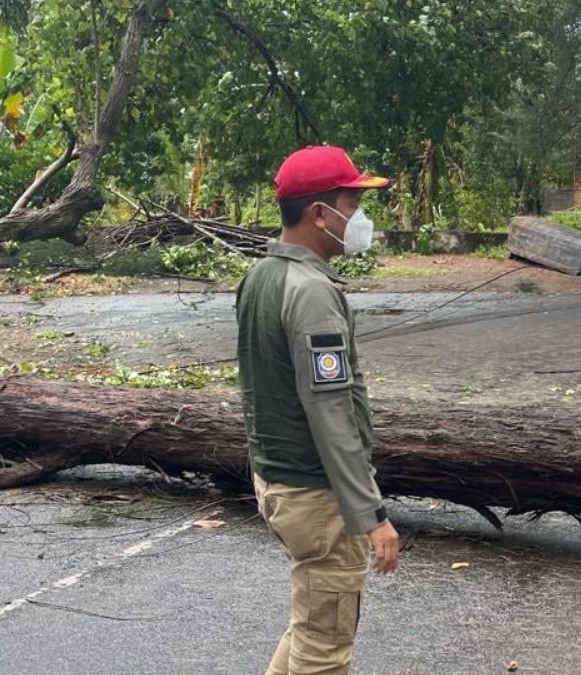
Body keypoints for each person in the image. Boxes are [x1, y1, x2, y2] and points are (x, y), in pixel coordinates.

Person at [236, 145, 399, 675]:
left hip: (279, 481)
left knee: (311, 626)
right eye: (352, 207)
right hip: (315, 494)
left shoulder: (262, 274)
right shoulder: (310, 292)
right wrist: (370, 514)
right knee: (326, 648)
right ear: (320, 215)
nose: (359, 220)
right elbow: (331, 414)